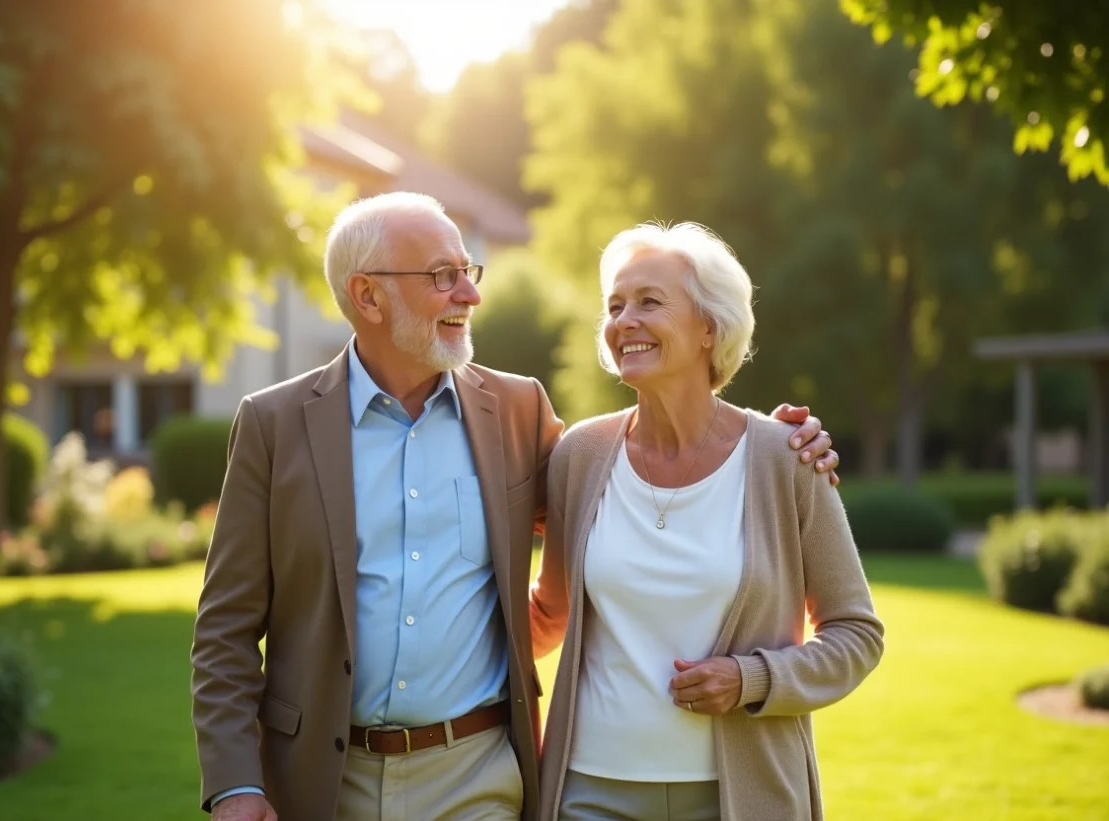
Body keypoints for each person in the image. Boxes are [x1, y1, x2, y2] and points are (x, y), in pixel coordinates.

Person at [191, 193, 839, 821]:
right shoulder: (273, 424)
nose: (469, 295)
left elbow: (634, 484)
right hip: (324, 781)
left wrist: (763, 445)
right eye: (442, 276)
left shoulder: (518, 410)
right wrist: (236, 784)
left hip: (478, 776)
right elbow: (225, 629)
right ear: (369, 295)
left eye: (467, 272)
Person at [530, 222, 884, 821]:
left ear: (709, 328)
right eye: (615, 306)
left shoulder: (787, 458)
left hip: (740, 795)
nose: (623, 321)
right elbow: (549, 614)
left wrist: (751, 679)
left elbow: (857, 635)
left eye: (649, 302)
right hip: (588, 789)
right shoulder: (580, 456)